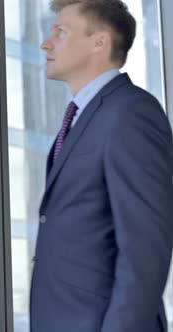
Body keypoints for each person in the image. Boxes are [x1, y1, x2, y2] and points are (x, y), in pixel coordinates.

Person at [31, 1, 173, 331]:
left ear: (100, 42)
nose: (46, 43)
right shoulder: (81, 118)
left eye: (60, 32)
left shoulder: (131, 113)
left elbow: (144, 253)